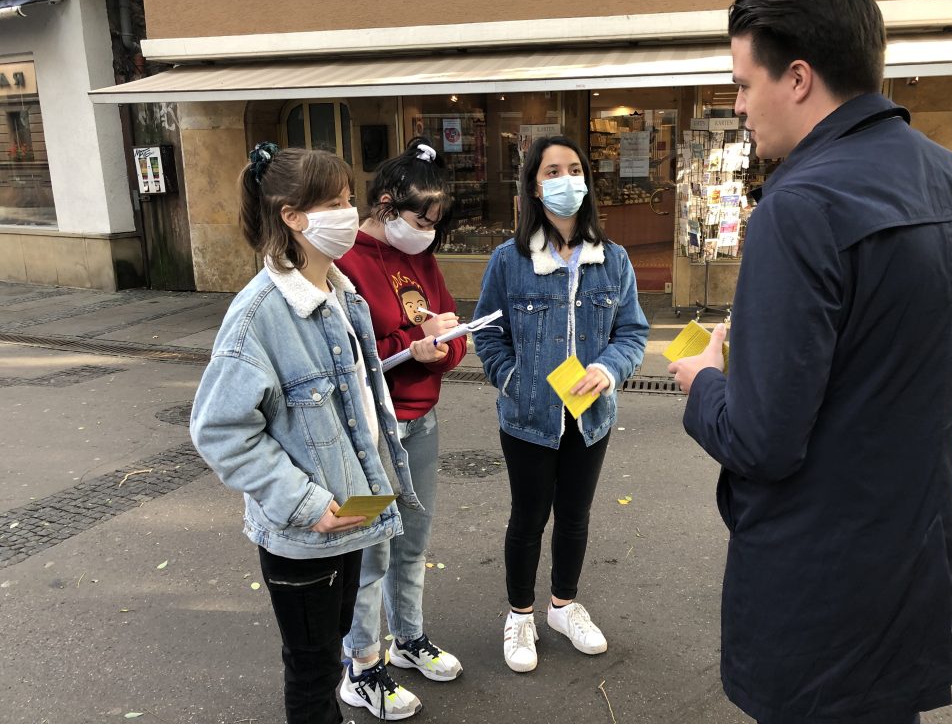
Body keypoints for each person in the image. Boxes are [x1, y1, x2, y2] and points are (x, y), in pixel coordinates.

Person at [668, 0, 952, 724]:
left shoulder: (801, 206)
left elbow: (761, 440)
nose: (737, 105)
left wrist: (704, 380)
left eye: (743, 84)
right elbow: (920, 367)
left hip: (817, 588)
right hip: (914, 559)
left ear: (797, 78)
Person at [190, 143, 420, 724]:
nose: (350, 213)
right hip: (306, 530)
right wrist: (305, 503)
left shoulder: (340, 292)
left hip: (350, 513)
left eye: (348, 199)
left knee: (331, 645)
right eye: (335, 203)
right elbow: (219, 429)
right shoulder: (259, 314)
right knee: (312, 670)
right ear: (292, 216)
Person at [473, 135, 649, 673]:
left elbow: (632, 332)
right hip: (528, 417)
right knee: (528, 519)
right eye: (552, 171)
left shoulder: (613, 260)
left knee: (575, 516)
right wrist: (513, 379)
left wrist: (608, 369)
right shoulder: (509, 260)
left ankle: (563, 606)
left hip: (589, 416)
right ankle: (520, 614)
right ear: (534, 186)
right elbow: (488, 333)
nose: (566, 179)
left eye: (574, 169)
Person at [334, 138, 465, 720]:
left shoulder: (421, 258)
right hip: (367, 431)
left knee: (412, 542)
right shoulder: (345, 261)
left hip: (421, 421)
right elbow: (348, 356)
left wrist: (441, 347)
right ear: (386, 204)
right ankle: (360, 666)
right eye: (421, 220)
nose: (427, 234)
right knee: (369, 551)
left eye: (435, 224)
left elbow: (450, 330)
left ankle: (408, 639)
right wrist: (414, 346)